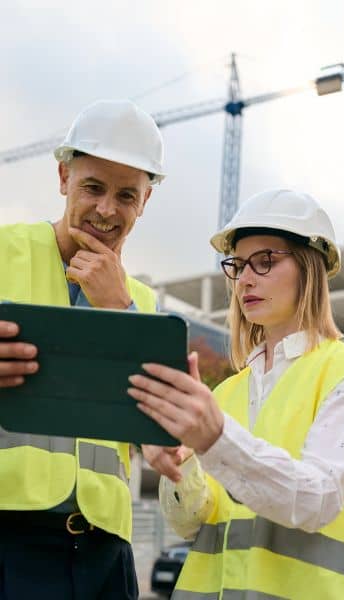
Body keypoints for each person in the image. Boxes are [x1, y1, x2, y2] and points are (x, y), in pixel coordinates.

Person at [130, 189, 344, 599]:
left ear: (309, 268)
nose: (246, 279)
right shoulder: (225, 394)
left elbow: (317, 498)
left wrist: (215, 439)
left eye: (266, 261)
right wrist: (179, 465)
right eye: (238, 265)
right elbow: (189, 525)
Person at [0, 99, 165, 600]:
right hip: (10, 541)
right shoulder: (4, 252)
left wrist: (121, 310)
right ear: (63, 177)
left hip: (105, 555)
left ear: (144, 203)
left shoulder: (143, 301)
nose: (107, 210)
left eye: (127, 196)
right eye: (93, 187)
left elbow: (158, 426)